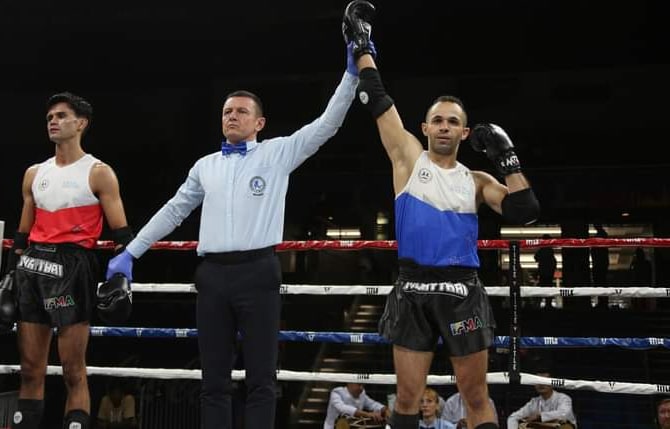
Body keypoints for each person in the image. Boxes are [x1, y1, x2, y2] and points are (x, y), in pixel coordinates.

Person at [104, 39, 359, 429]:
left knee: (262, 378)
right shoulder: (205, 166)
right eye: (227, 111)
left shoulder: (278, 153)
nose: (232, 116)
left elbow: (327, 124)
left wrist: (351, 76)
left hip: (258, 271)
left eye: (241, 111)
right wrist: (131, 252)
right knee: (213, 381)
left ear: (259, 123)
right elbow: (174, 210)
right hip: (212, 275)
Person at [344, 2, 540, 428]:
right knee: (407, 397)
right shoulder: (408, 159)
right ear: (426, 127)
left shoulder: (478, 180)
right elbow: (377, 99)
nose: (445, 126)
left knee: (475, 395)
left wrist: (508, 158)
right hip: (412, 286)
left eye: (453, 121)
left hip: (461, 290)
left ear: (465, 132)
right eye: (438, 121)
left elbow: (525, 210)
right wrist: (361, 46)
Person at [2, 92, 133, 429]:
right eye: (50, 117)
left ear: (81, 123)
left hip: (73, 267)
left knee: (73, 370)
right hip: (33, 266)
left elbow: (122, 235)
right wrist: (9, 276)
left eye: (61, 116)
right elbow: (22, 234)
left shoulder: (99, 173)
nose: (53, 121)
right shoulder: (34, 173)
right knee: (30, 369)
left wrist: (122, 276)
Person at [506, 372, 577, 429]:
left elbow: (564, 414)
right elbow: (513, 417)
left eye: (544, 381)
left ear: (552, 383)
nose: (541, 384)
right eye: (538, 381)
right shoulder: (534, 402)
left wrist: (540, 416)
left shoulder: (563, 398)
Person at [323, 383, 387, 429]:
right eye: (359, 385)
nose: (361, 388)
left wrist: (385, 409)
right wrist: (367, 414)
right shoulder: (337, 392)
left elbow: (373, 404)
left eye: (363, 385)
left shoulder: (362, 394)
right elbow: (342, 408)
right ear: (349, 383)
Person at [533, 234, 556, 308]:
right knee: (548, 288)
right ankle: (548, 304)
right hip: (548, 273)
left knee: (541, 288)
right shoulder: (550, 250)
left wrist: (537, 272)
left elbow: (536, 257)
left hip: (543, 273)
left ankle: (537, 304)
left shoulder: (542, 249)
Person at [590, 224, 609, 308]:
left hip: (599, 262)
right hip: (600, 262)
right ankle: (602, 301)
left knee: (600, 282)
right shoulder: (602, 234)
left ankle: (602, 302)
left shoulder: (601, 235)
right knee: (601, 282)